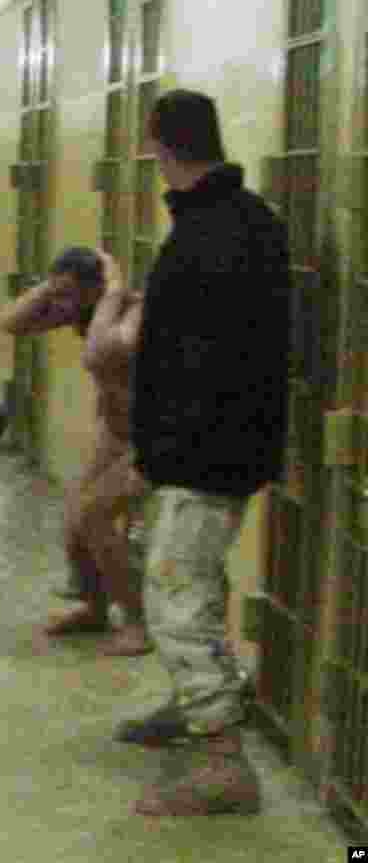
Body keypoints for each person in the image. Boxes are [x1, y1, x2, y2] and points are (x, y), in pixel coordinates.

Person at [114, 89, 291, 816]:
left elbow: (196, 364)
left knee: (176, 595)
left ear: (159, 143)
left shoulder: (209, 235)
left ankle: (223, 759)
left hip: (203, 451)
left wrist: (158, 452)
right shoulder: (245, 220)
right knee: (193, 583)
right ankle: (194, 706)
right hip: (225, 442)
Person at [0, 247, 151, 656]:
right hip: (117, 432)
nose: (62, 305)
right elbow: (12, 322)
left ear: (96, 289)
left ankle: (136, 623)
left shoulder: (135, 310)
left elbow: (101, 354)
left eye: (70, 294)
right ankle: (94, 609)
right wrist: (51, 285)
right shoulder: (85, 310)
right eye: (59, 295)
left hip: (158, 437)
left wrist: (114, 291)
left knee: (93, 515)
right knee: (74, 521)